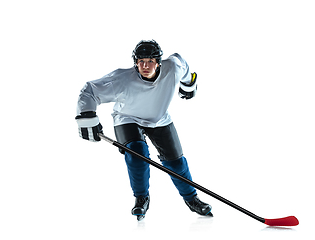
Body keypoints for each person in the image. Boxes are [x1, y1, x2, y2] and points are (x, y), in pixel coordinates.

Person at [75, 40, 212, 221]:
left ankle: (192, 199)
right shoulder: (122, 79)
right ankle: (141, 198)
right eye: (141, 61)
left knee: (176, 163)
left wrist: (188, 85)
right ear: (135, 62)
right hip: (127, 119)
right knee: (137, 155)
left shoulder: (173, 68)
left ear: (159, 62)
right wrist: (87, 116)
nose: (145, 66)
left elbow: (183, 65)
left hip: (159, 119)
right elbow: (89, 90)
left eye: (150, 61)